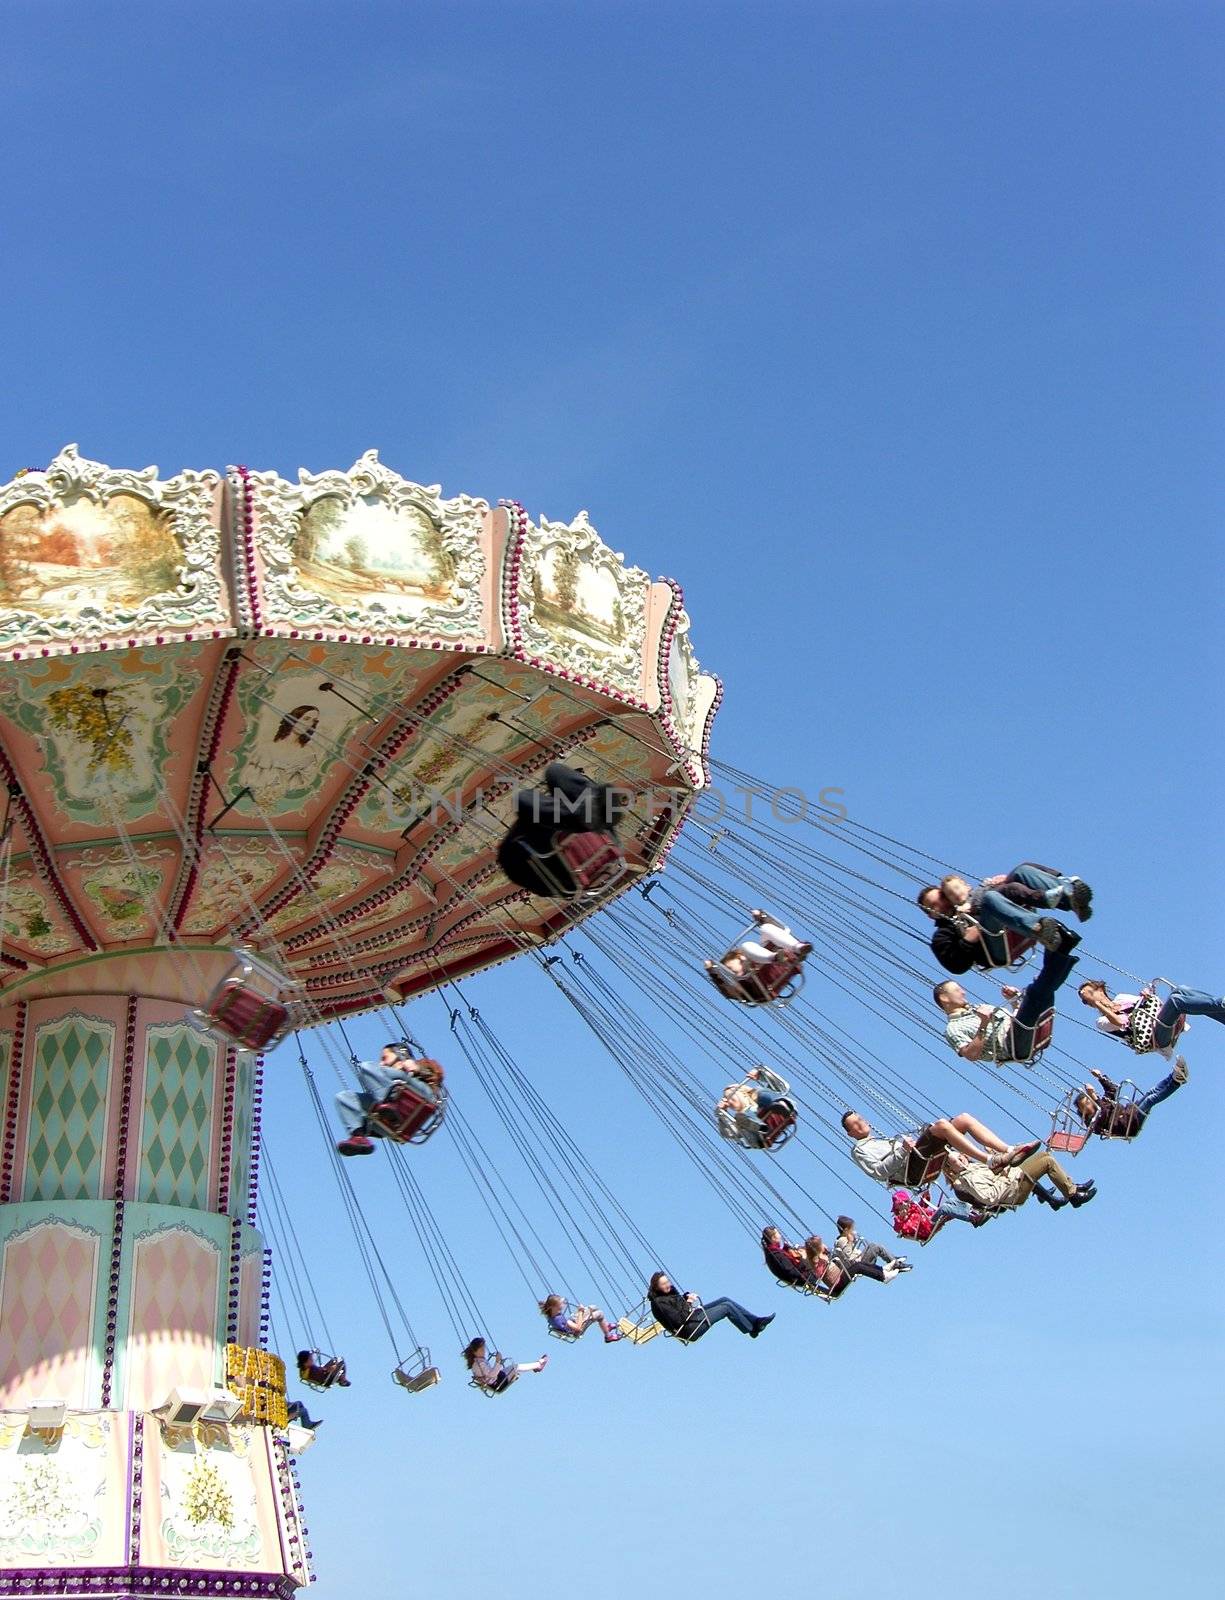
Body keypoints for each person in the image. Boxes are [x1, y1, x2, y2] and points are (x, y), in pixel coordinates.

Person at [934, 937, 1080, 1065]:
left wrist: (1014, 1002)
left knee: (1044, 989)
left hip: (1018, 1032)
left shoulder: (979, 1008)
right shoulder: (953, 1028)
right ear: (944, 997)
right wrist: (983, 1024)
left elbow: (1016, 1019)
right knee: (1036, 991)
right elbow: (971, 1055)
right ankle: (1061, 948)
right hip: (1011, 1044)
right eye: (957, 990)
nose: (963, 992)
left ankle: (1062, 949)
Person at [496, 761, 629, 897]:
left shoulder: (615, 845)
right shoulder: (570, 890)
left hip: (531, 854)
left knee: (552, 773)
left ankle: (581, 812)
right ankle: (582, 813)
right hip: (546, 848)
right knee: (526, 798)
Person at [840, 1108, 1040, 1189]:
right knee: (943, 1125)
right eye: (854, 1124)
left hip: (916, 1159)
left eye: (860, 1119)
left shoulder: (880, 1140)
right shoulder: (859, 1150)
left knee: (963, 1119)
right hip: (911, 1170)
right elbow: (878, 1172)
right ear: (850, 1134)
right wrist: (902, 1150)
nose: (861, 1123)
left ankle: (1008, 1150)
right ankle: (990, 1161)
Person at [335, 1042, 444, 1155]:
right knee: (343, 1097)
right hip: (392, 1115)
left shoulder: (415, 1067)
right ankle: (358, 1136)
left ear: (401, 1055)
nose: (382, 1063)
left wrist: (418, 1068)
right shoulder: (385, 1080)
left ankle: (387, 1104)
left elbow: (436, 1074)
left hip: (421, 1094)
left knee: (366, 1067)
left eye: (384, 1058)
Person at [940, 864, 1091, 945]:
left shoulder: (981, 888)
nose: (956, 894)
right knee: (998, 894)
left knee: (1022, 869)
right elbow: (968, 932)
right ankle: (1041, 916)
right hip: (994, 930)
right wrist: (965, 910)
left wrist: (1001, 880)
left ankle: (1070, 894)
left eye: (957, 888)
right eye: (951, 895)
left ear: (967, 886)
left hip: (1008, 901)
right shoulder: (960, 915)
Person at [1078, 979, 1225, 1056]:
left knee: (1181, 990)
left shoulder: (1121, 997)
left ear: (1099, 989)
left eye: (1089, 994)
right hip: (1155, 1037)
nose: (1089, 1001)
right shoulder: (1101, 1021)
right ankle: (1221, 1003)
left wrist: (1146, 995)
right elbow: (1120, 1022)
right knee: (1176, 1001)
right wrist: (1098, 1004)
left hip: (1159, 1019)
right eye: (1086, 1001)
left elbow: (1144, 1004)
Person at [705, 910, 812, 1001]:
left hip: (782, 962)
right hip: (763, 985)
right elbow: (728, 992)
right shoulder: (743, 984)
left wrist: (762, 919)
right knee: (746, 945)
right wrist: (713, 973)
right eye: (733, 970)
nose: (736, 972)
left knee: (766, 928)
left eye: (741, 962)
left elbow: (776, 932)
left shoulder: (756, 958)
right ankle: (776, 958)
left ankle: (797, 948)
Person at [943, 1148, 1096, 1211]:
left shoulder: (975, 1167)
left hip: (1014, 1180)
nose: (961, 1158)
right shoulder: (967, 1179)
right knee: (1047, 1162)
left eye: (960, 1155)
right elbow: (989, 1197)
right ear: (951, 1169)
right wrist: (1005, 1178)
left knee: (1044, 1155)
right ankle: (1073, 1195)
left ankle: (1071, 1187)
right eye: (955, 1160)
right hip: (1013, 1190)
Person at [1075, 1058, 1189, 1140]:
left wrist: (1100, 1077)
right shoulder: (1092, 1123)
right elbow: (1103, 1114)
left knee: (1151, 1092)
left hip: (1129, 1112)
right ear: (1081, 1111)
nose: (1088, 1106)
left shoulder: (1101, 1102)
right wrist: (1094, 1096)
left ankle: (1174, 1075)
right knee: (1150, 1100)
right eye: (1084, 1105)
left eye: (1088, 1102)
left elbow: (1112, 1090)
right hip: (1128, 1125)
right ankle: (1176, 1082)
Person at [647, 1271, 773, 1341]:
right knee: (726, 1307)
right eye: (663, 1284)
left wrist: (685, 1298)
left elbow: (676, 1305)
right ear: (656, 1287)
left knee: (725, 1299)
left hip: (692, 1318)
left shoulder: (667, 1295)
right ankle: (752, 1329)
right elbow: (679, 1319)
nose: (668, 1285)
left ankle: (756, 1321)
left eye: (667, 1282)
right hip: (689, 1328)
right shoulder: (659, 1303)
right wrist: (689, 1302)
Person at [715, 1066, 795, 1148]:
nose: (729, 1102)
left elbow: (778, 1085)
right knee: (741, 1117)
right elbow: (730, 1133)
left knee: (760, 1091)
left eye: (730, 1097)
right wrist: (723, 1114)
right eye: (727, 1101)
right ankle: (759, 1127)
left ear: (742, 1094)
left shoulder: (759, 1097)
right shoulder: (739, 1118)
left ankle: (782, 1105)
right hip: (759, 1135)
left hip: (772, 1108)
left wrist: (761, 1074)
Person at [890, 1188, 987, 1243]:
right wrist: (902, 1219)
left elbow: (924, 1205)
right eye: (902, 1203)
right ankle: (972, 1218)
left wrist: (926, 1195)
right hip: (927, 1227)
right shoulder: (898, 1220)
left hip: (931, 1218)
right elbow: (898, 1229)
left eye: (906, 1202)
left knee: (951, 1201)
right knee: (944, 1208)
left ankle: (974, 1211)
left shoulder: (913, 1207)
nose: (905, 1205)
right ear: (897, 1207)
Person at [834, 1215, 912, 1277]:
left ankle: (892, 1259)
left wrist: (853, 1239)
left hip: (858, 1261)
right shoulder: (842, 1240)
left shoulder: (845, 1239)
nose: (853, 1230)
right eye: (852, 1229)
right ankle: (895, 1263)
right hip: (857, 1265)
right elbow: (848, 1257)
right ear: (846, 1230)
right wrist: (850, 1242)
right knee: (874, 1246)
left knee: (875, 1246)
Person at [461, 1337, 548, 1393]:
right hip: (498, 1382)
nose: (484, 1351)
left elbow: (487, 1374)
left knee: (514, 1367)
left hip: (496, 1378)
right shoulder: (480, 1363)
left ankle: (538, 1364)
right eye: (481, 1349)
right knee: (516, 1367)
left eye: (484, 1348)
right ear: (475, 1351)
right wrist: (498, 1361)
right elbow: (492, 1374)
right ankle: (539, 1364)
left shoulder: (475, 1363)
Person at [538, 1294, 623, 1342]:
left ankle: (606, 1326)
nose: (563, 1305)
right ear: (555, 1307)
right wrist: (580, 1312)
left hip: (572, 1323)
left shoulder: (551, 1314)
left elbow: (550, 1304)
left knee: (593, 1307)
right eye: (561, 1304)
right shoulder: (559, 1320)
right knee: (600, 1314)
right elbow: (578, 1328)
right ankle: (608, 1336)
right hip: (576, 1330)